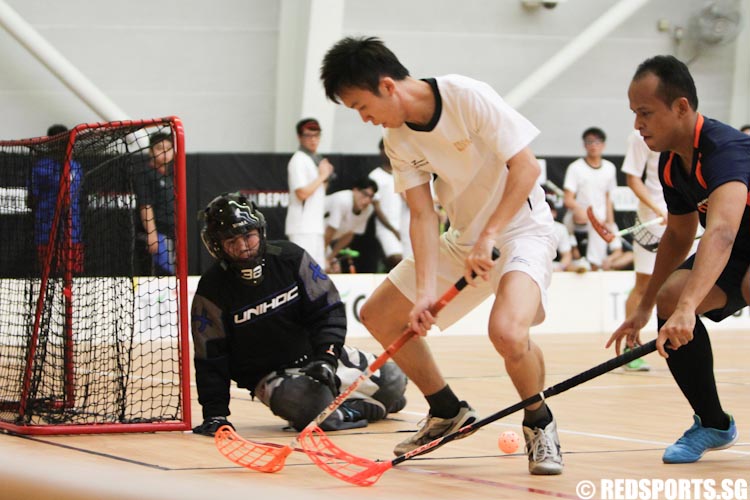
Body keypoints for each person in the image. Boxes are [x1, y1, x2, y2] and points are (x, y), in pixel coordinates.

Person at [321, 36, 563, 475]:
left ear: (387, 86)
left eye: (361, 105)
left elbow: (527, 167)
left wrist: (491, 233)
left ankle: (539, 423)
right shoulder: (398, 140)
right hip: (464, 239)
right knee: (380, 314)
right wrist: (422, 294)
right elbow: (422, 215)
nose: (365, 118)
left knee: (508, 334)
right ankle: (446, 410)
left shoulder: (466, 96)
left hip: (522, 231)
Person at [608, 55, 750, 464]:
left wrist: (691, 308)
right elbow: (678, 234)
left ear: (681, 107)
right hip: (738, 251)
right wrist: (647, 306)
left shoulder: (727, 149)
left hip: (737, 246)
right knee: (671, 296)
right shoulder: (672, 164)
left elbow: (721, 230)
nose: (638, 125)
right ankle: (713, 423)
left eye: (645, 113)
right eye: (635, 113)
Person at [191, 192, 407, 436]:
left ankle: (345, 406)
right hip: (273, 377)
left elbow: (329, 310)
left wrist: (327, 357)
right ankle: (351, 409)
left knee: (395, 380)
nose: (243, 247)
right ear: (217, 246)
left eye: (248, 236)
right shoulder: (211, 290)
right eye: (231, 242)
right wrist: (215, 414)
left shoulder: (292, 257)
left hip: (317, 359)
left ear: (260, 231)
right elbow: (210, 357)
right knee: (312, 410)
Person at [618, 130, 669, 372]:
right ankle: (631, 349)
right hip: (654, 220)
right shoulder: (639, 136)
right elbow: (633, 178)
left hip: (684, 216)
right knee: (645, 285)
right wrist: (656, 208)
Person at [28, 124, 85, 275]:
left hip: (72, 233)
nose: (61, 145)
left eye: (65, 141)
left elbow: (79, 198)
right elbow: (31, 201)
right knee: (49, 274)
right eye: (57, 141)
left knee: (72, 275)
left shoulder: (76, 167)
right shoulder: (41, 167)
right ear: (50, 143)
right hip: (47, 233)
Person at [563, 127, 617, 271]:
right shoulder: (575, 168)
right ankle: (579, 257)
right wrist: (584, 212)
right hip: (581, 219)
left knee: (603, 257)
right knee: (581, 218)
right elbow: (568, 199)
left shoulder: (610, 168)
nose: (593, 145)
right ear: (584, 145)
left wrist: (610, 223)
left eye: (597, 142)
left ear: (603, 145)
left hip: (601, 223)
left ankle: (595, 265)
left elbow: (608, 197)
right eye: (589, 142)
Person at [284, 118, 335, 266]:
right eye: (308, 136)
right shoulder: (298, 160)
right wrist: (322, 176)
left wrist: (325, 178)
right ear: (299, 137)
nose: (313, 140)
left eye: (317, 135)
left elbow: (318, 192)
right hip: (302, 228)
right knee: (305, 272)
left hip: (315, 226)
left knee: (317, 273)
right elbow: (302, 193)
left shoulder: (313, 159)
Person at [134, 132, 175, 275]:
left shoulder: (168, 176)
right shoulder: (145, 173)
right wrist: (152, 234)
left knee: (170, 277)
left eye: (169, 148)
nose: (165, 153)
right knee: (159, 277)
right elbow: (145, 205)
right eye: (159, 148)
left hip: (170, 235)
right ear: (151, 151)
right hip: (157, 236)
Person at [369, 139, 410, 271]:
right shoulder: (375, 176)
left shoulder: (404, 174)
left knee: (409, 262)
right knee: (396, 259)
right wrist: (393, 229)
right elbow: (376, 207)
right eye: (385, 149)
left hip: (406, 226)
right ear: (381, 151)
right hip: (386, 227)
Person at [324, 178, 378, 271]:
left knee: (335, 270)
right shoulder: (342, 200)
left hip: (324, 241)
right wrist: (323, 258)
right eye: (365, 194)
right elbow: (330, 230)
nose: (367, 200)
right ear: (355, 190)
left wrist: (330, 258)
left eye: (371, 197)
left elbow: (349, 234)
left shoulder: (369, 209)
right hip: (310, 233)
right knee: (322, 268)